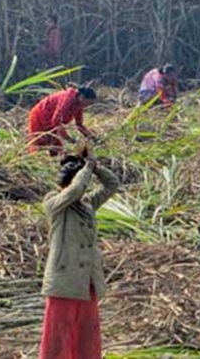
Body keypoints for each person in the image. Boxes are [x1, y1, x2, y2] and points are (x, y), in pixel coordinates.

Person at [39, 145, 119, 359]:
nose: (82, 189)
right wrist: (87, 169)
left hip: (86, 280)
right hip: (64, 280)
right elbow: (73, 191)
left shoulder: (87, 204)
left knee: (86, 332)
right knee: (58, 334)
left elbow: (112, 185)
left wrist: (95, 167)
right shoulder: (53, 203)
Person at [28, 84, 97, 156]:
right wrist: (68, 138)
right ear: (82, 97)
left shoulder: (79, 105)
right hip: (39, 115)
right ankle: (32, 161)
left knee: (57, 149)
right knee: (37, 142)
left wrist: (91, 137)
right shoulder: (67, 98)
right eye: (89, 103)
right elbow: (56, 120)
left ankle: (53, 163)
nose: (89, 105)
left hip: (52, 122)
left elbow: (79, 125)